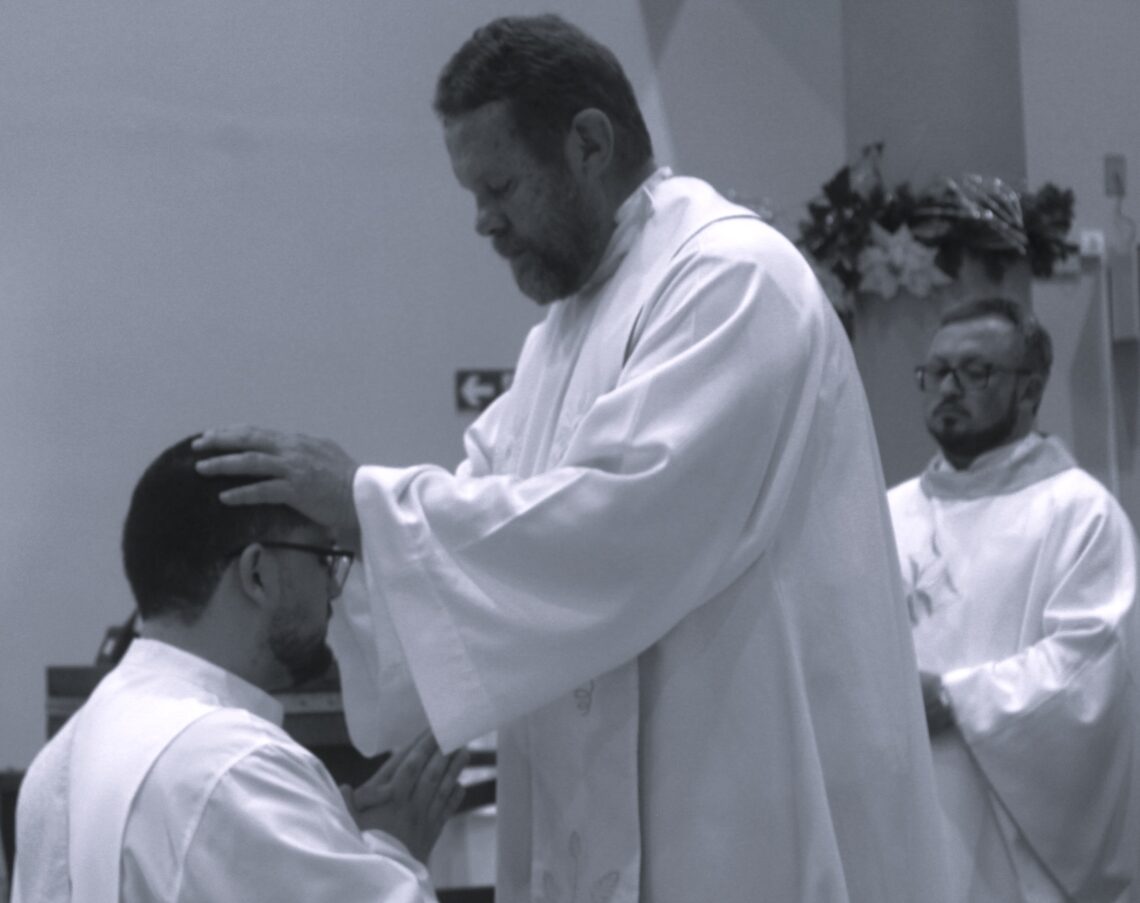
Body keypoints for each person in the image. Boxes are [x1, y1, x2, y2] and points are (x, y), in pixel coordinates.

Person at [193, 14, 951, 903]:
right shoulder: (561, 335)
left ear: (589, 142)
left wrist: (365, 503)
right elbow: (487, 516)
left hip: (744, 814)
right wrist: (333, 547)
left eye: (500, 186)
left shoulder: (734, 278)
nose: (485, 222)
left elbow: (622, 522)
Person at [12, 435, 468, 903]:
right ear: (257, 574)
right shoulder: (236, 767)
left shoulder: (63, 756)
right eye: (323, 559)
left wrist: (325, 836)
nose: (333, 590)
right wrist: (393, 850)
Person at [888, 297, 1140, 902]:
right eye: (936, 373)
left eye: (975, 373)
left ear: (1029, 390)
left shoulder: (1080, 513)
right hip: (896, 817)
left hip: (1011, 845)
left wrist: (953, 697)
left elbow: (1092, 671)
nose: (948, 388)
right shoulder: (885, 512)